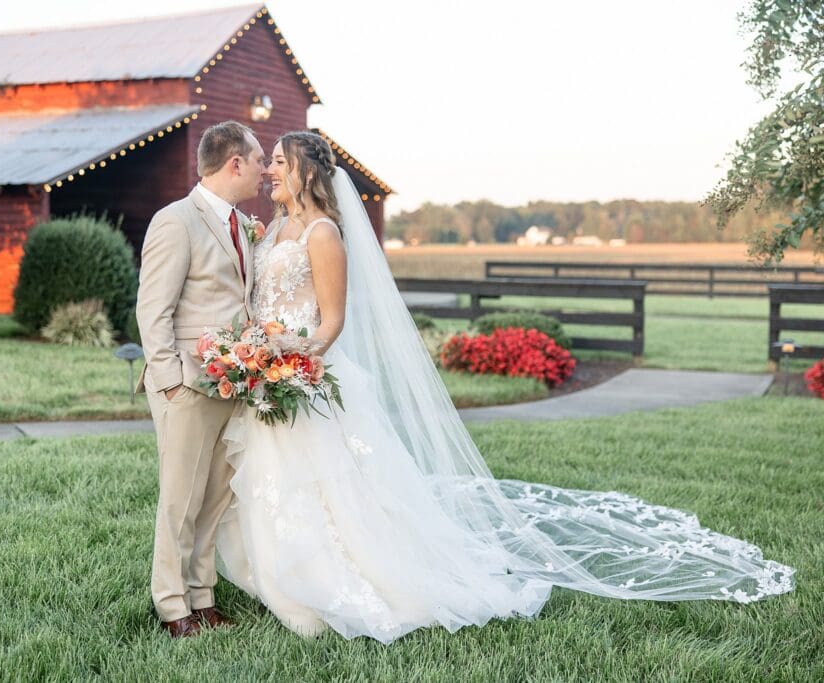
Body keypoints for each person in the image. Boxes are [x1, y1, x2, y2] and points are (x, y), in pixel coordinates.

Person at [213, 131, 795, 644]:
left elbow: (332, 321)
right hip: (267, 370)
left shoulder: (322, 234)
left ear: (307, 173)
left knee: (329, 488)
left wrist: (295, 361)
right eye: (271, 165)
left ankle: (333, 579)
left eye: (281, 164)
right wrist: (255, 354)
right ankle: (272, 574)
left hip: (304, 376)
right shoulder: (271, 230)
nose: (271, 173)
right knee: (273, 480)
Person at [135, 120, 265, 638]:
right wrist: (169, 381)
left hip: (232, 382)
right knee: (180, 500)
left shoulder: (241, 224)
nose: (263, 169)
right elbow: (153, 308)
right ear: (234, 163)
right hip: (187, 384)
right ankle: (172, 606)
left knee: (215, 498)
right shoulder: (175, 220)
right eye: (257, 160)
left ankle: (203, 596)